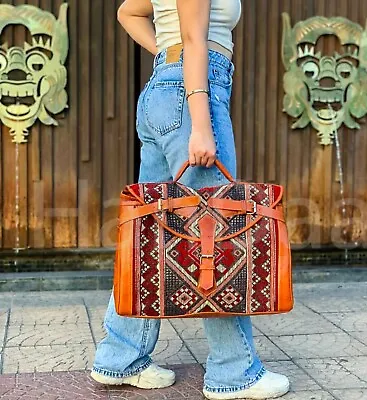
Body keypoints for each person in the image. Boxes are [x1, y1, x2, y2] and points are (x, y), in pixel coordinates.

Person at [91, 1, 290, 399]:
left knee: (147, 233)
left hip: (164, 92)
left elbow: (128, 13)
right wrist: (201, 124)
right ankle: (235, 372)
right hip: (193, 92)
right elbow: (194, 38)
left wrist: (167, 58)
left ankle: (120, 356)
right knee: (216, 234)